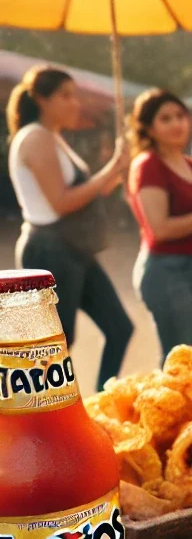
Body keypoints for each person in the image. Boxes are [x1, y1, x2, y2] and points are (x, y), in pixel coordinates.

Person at [6, 65, 134, 391]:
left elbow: (96, 190)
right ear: (41, 99)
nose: (74, 103)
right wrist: (108, 171)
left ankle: (101, 405)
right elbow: (60, 202)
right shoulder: (34, 137)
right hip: (49, 248)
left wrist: (121, 165)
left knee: (118, 327)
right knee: (53, 347)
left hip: (75, 247)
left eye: (74, 95)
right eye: (65, 96)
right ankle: (38, 425)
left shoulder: (55, 138)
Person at [127, 89, 192, 361]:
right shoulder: (148, 166)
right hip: (166, 271)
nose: (176, 124)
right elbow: (159, 229)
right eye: (165, 118)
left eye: (180, 116)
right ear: (149, 128)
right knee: (179, 366)